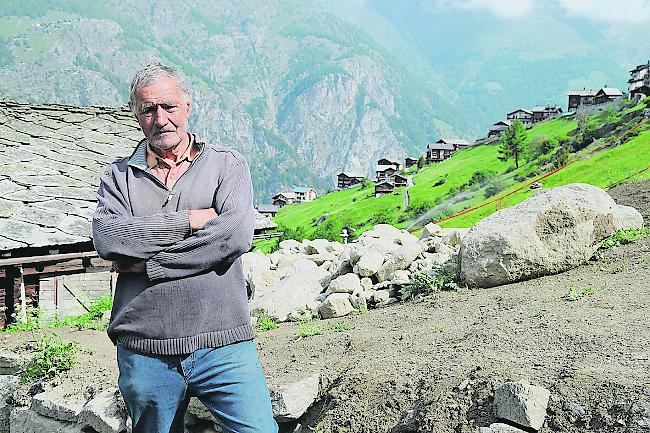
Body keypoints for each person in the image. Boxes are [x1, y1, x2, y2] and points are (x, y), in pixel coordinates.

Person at [92, 62, 278, 433]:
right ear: (136, 114)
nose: (160, 119)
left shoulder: (227, 166)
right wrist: (188, 221)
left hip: (223, 342)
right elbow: (109, 238)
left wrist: (148, 266)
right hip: (144, 348)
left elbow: (234, 236)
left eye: (169, 107)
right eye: (148, 109)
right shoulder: (117, 177)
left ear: (188, 106)